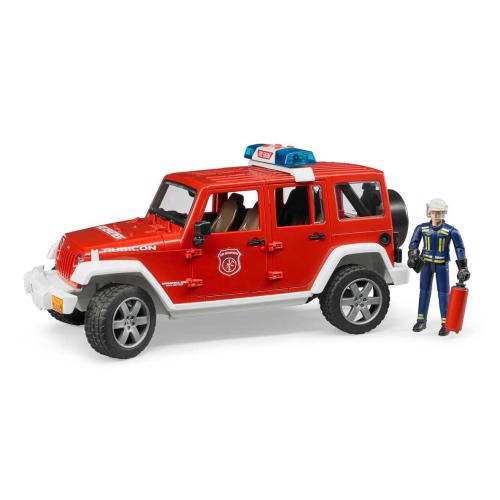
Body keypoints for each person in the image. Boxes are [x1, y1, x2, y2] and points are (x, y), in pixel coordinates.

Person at [407, 198, 470, 336]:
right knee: (424, 291)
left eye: (439, 212)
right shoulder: (421, 228)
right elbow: (414, 243)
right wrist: (413, 255)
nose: (436, 215)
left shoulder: (451, 230)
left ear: (444, 213)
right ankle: (421, 320)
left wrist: (463, 267)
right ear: (429, 212)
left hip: (442, 265)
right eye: (434, 212)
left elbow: (459, 248)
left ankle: (445, 323)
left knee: (443, 293)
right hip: (425, 264)